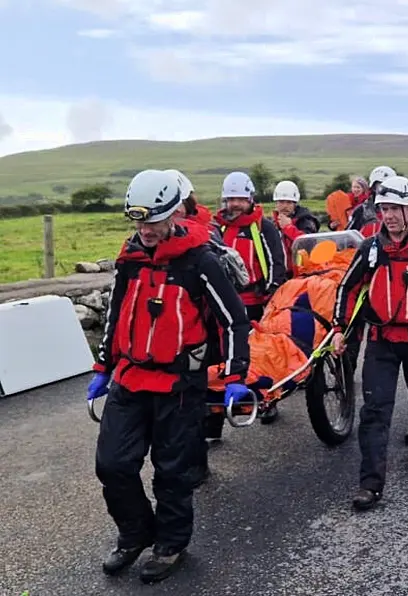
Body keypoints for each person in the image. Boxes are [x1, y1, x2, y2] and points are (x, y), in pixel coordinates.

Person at [86, 169, 251, 583]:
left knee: (173, 472)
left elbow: (233, 320)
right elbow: (116, 313)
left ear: (174, 214)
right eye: (139, 222)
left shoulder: (199, 261)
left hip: (179, 385)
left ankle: (170, 544)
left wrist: (233, 376)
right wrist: (103, 366)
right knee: (112, 464)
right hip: (129, 379)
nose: (146, 231)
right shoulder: (131, 258)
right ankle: (135, 533)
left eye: (154, 222)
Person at [330, 176, 408, 511]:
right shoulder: (370, 248)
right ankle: (370, 484)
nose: (387, 215)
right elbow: (347, 288)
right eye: (383, 208)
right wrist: (340, 328)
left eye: (394, 208)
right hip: (382, 339)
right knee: (374, 410)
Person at [342, 165, 396, 378]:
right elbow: (347, 238)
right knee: (353, 331)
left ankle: (382, 374)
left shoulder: (401, 212)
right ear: (372, 188)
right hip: (363, 280)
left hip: (390, 282)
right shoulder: (361, 211)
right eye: (379, 187)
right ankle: (346, 377)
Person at [213, 171, 287, 322]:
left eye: (241, 199)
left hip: (255, 300)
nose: (236, 204)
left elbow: (276, 261)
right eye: (231, 199)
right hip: (225, 298)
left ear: (250, 200)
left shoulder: (263, 227)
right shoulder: (219, 227)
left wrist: (272, 291)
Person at [271, 179, 320, 277]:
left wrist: (288, 228)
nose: (285, 206)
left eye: (289, 202)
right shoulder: (272, 223)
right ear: (276, 203)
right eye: (281, 202)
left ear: (295, 204)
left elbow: (309, 244)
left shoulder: (305, 221)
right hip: (279, 274)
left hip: (302, 274)